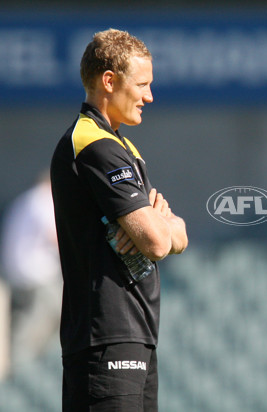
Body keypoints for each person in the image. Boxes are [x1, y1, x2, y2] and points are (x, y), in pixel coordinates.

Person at [50, 28, 188, 411]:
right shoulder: (94, 145)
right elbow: (158, 242)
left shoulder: (121, 145)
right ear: (108, 81)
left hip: (133, 334)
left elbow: (175, 233)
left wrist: (165, 227)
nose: (149, 96)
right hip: (106, 335)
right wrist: (161, 228)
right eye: (142, 84)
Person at [0, 171, 62, 370]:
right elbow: (58, 238)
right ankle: (23, 368)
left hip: (16, 276)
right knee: (58, 313)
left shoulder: (26, 199)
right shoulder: (43, 201)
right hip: (35, 277)